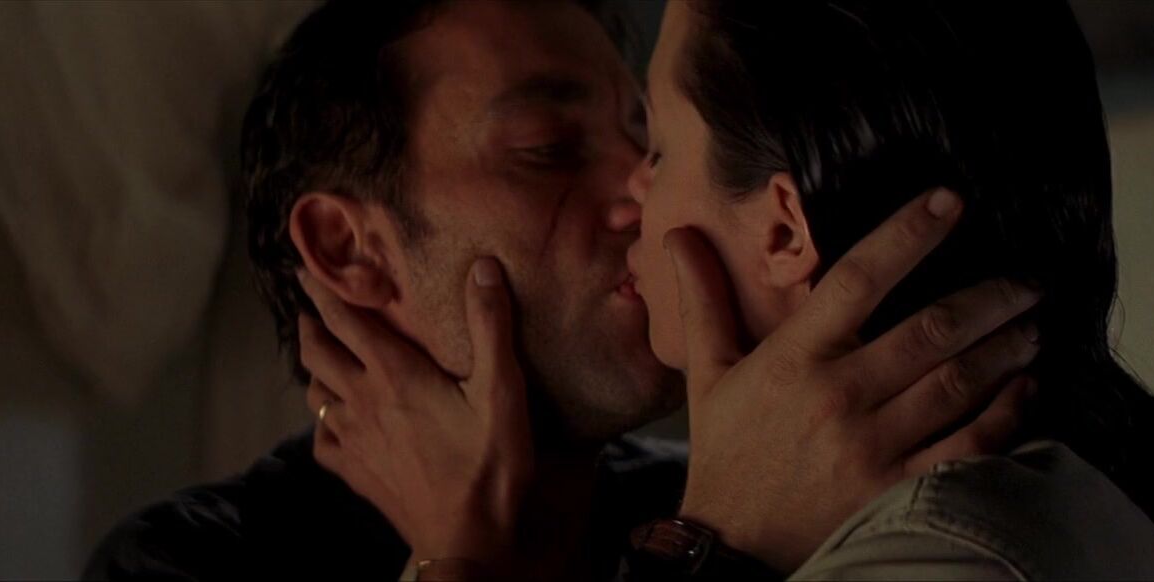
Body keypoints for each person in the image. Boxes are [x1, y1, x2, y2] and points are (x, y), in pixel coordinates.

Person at [85, 1, 1039, 579]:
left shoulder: (777, 478)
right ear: (349, 251)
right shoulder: (193, 567)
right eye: (547, 150)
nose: (644, 190)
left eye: (648, 138)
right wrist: (715, 550)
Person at [620, 0, 1154, 579]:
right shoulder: (1067, 483)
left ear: (786, 232)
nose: (630, 188)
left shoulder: (935, 553)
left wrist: (712, 537)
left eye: (659, 151)